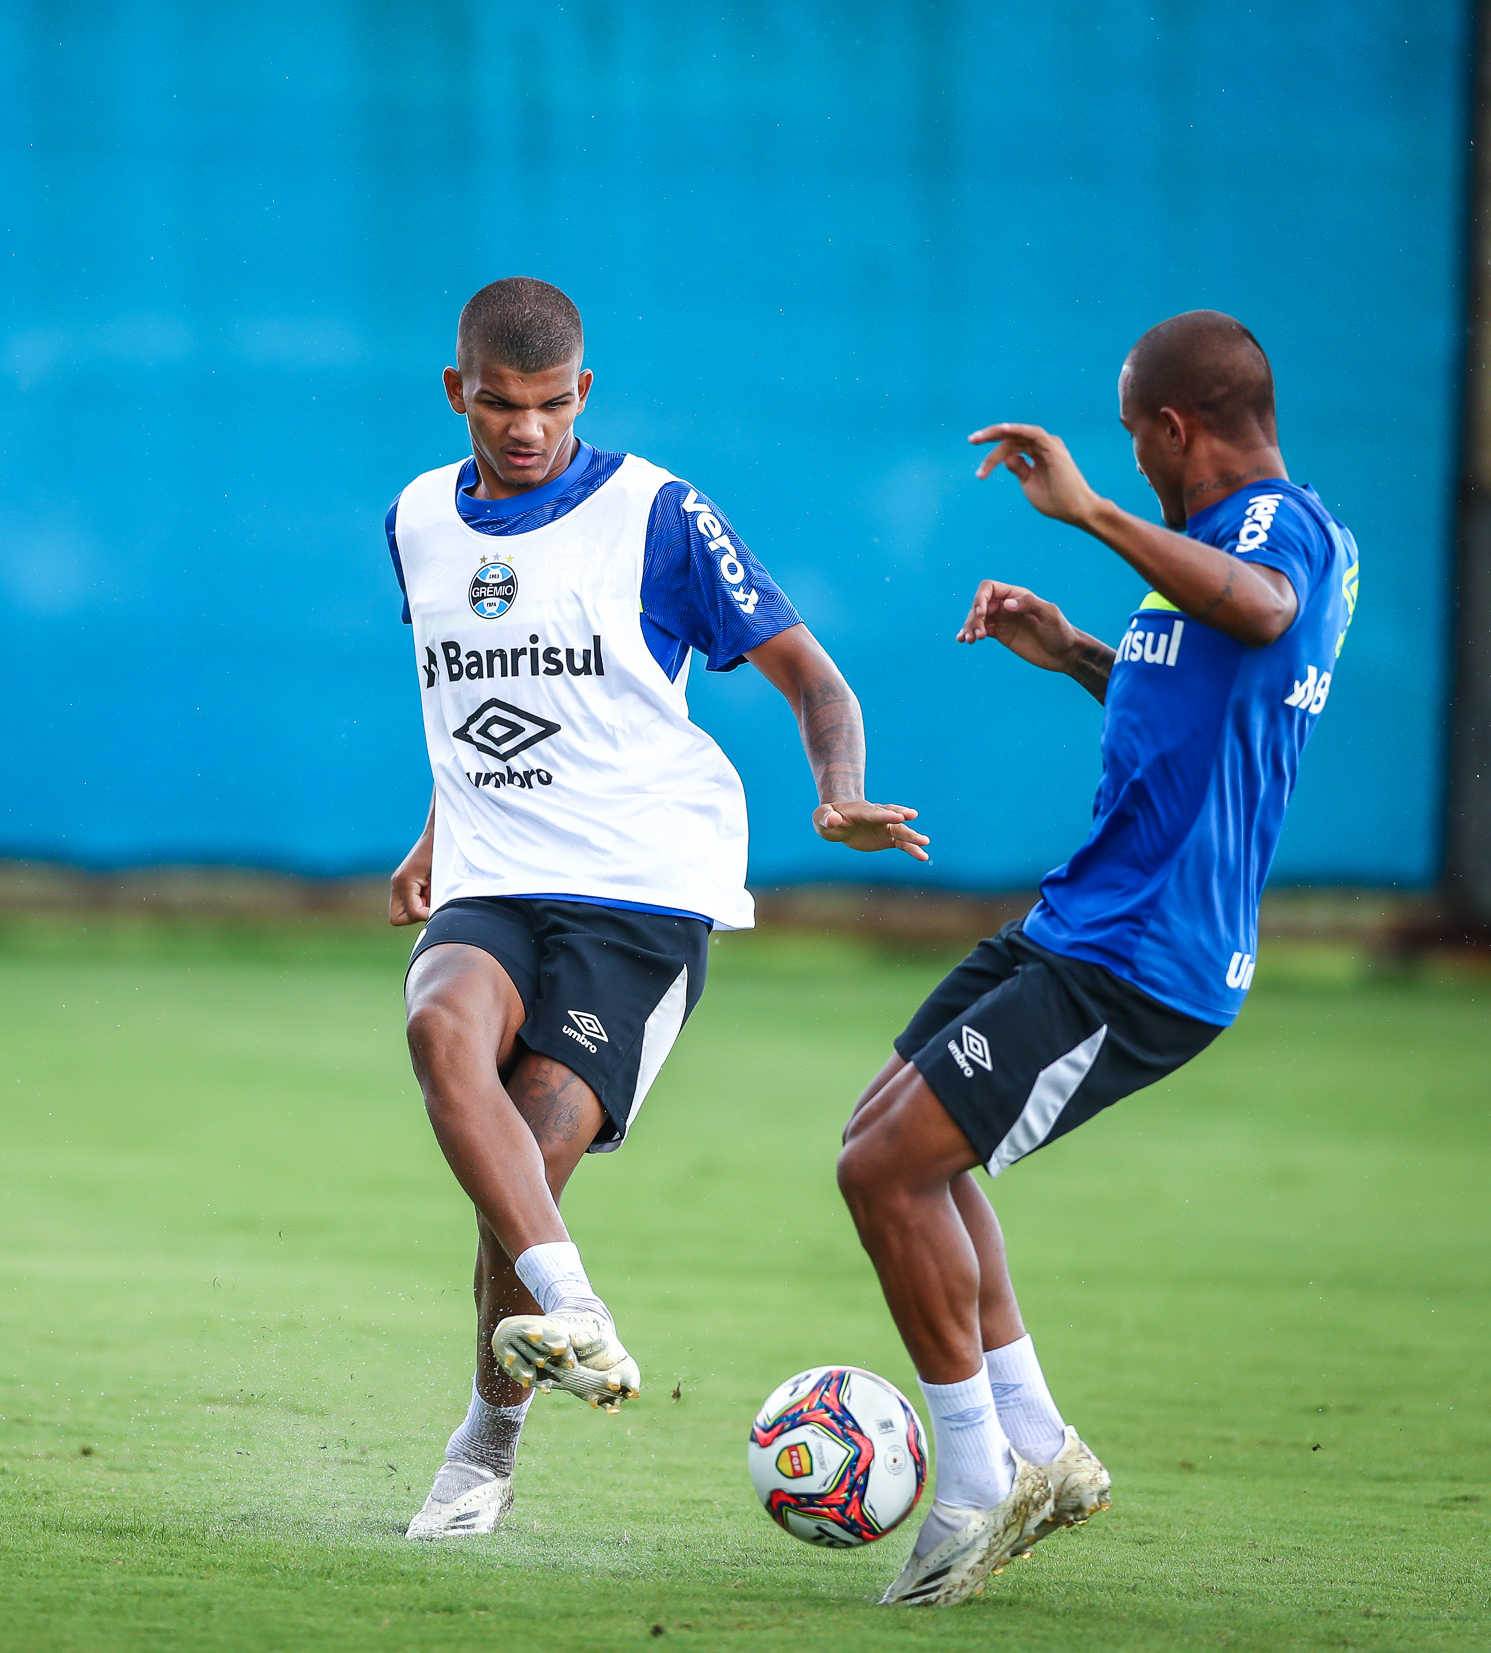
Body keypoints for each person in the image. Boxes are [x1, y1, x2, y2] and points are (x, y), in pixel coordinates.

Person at [387, 277, 928, 1539]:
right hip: (494, 877)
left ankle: (487, 1436)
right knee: (435, 1028)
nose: (523, 430)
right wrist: (430, 834)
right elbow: (461, 694)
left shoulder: (657, 515)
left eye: (546, 406)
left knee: (523, 1163)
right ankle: (574, 1313)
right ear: (455, 390)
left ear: (582, 392)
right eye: (497, 406)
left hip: (639, 893)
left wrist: (837, 793)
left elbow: (813, 677)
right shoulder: (417, 517)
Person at [837, 311, 1359, 1605]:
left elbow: (1264, 606)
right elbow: (1200, 692)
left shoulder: (1280, 533)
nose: (1129, 470)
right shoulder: (1215, 553)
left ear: (1176, 428)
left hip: (1144, 955)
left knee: (890, 1172)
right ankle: (1038, 1449)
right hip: (1083, 919)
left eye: (1136, 446)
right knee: (887, 1138)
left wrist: (1084, 516)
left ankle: (968, 1487)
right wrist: (1069, 645)